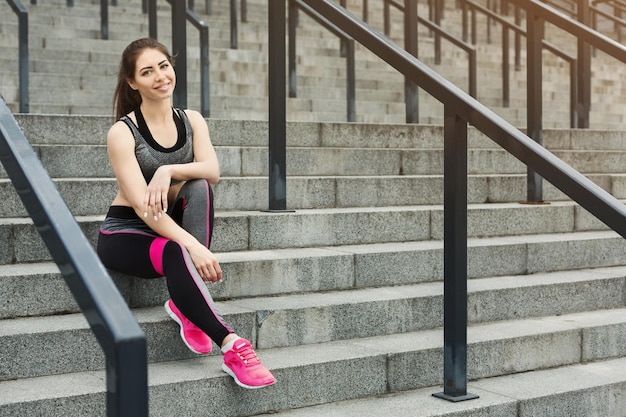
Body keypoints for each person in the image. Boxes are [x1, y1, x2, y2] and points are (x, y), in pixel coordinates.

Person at [96, 37, 275, 389]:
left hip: (170, 227)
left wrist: (168, 171)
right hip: (126, 233)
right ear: (133, 82)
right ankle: (233, 345)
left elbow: (212, 170)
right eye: (147, 72)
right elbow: (142, 207)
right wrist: (194, 245)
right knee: (178, 248)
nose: (160, 76)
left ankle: (184, 303)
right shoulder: (122, 132)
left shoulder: (191, 120)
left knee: (199, 188)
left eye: (164, 66)